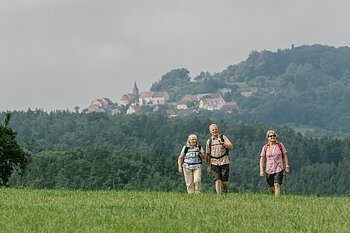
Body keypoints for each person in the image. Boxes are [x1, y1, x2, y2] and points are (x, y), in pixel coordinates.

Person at [259, 130, 289, 196]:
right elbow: (262, 159)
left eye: (274, 135)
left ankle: (277, 199)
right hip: (269, 169)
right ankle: (272, 197)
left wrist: (286, 166)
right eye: (271, 136)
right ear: (268, 137)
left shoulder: (280, 145)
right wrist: (261, 170)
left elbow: (285, 155)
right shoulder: (265, 147)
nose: (272, 137)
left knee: (277, 184)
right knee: (271, 186)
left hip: (279, 167)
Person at [206, 124, 233, 194]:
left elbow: (230, 147)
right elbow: (208, 154)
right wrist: (208, 166)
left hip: (224, 161)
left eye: (216, 129)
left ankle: (225, 191)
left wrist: (223, 143)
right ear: (210, 131)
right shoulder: (209, 141)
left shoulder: (223, 137)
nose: (215, 131)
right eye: (213, 130)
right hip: (214, 162)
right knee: (217, 179)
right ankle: (219, 195)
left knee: (224, 181)